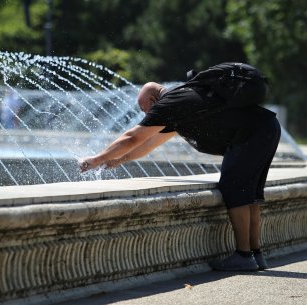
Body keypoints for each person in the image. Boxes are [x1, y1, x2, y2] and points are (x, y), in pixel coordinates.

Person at [79, 69, 281, 272]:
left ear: (151, 99)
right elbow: (149, 143)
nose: (146, 115)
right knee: (249, 193)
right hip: (267, 127)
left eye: (144, 109)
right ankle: (255, 254)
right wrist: (119, 160)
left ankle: (243, 256)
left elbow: (133, 137)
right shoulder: (181, 102)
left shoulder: (169, 105)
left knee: (234, 188)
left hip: (251, 134)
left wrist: (97, 159)